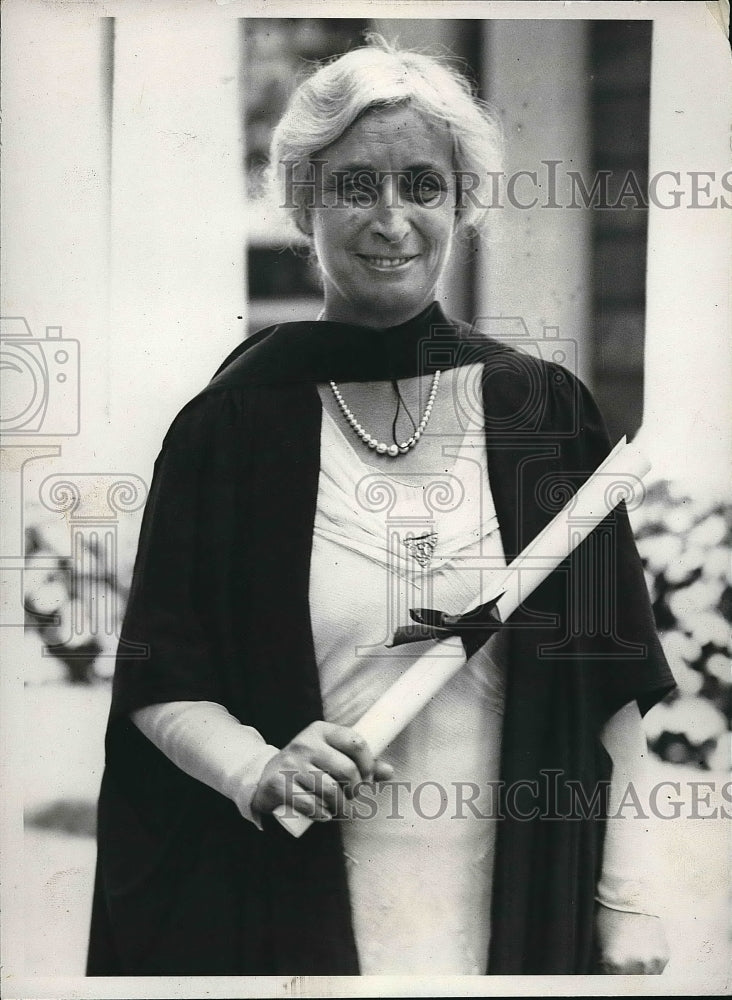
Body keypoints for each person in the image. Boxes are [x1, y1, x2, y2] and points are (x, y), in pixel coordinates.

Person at [87, 37, 676, 976]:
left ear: (462, 202)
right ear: (301, 202)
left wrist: (628, 905)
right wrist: (257, 766)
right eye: (356, 186)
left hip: (508, 908)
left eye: (423, 186)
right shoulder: (231, 429)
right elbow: (163, 681)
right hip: (293, 914)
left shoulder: (540, 414)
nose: (392, 220)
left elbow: (613, 689)